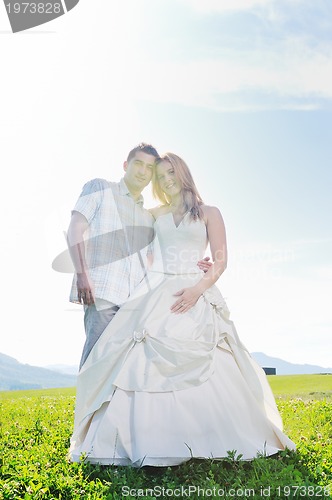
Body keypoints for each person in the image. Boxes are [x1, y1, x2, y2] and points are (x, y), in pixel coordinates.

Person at [69, 152, 296, 466]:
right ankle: (136, 438)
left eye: (171, 172)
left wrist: (198, 289)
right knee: (137, 357)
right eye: (160, 176)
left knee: (212, 356)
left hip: (195, 290)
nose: (166, 180)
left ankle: (217, 435)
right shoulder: (154, 213)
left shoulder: (210, 213)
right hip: (158, 290)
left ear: (184, 173)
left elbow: (221, 260)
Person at [67, 143, 160, 369]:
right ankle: (86, 406)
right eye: (138, 164)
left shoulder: (149, 218)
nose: (142, 171)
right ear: (126, 165)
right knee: (96, 363)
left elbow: (150, 261)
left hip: (133, 303)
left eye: (149, 168)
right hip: (101, 291)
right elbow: (75, 229)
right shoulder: (100, 188)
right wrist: (82, 275)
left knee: (123, 369)